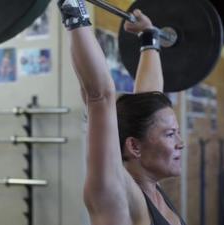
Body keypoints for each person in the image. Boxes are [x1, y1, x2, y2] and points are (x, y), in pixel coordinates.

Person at [57, 1, 186, 225]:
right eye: (170, 134)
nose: (180, 143)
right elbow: (99, 96)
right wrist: (72, 7)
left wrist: (149, 37)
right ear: (134, 146)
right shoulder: (116, 198)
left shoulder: (151, 189)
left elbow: (149, 100)